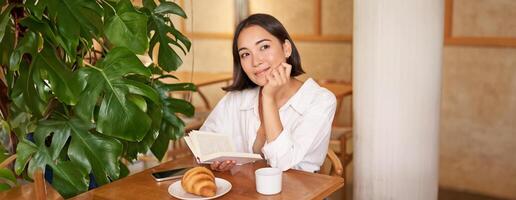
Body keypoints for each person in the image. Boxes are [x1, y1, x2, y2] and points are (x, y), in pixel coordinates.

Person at [200, 13, 336, 173]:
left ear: (286, 48)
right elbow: (204, 141)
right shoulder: (237, 98)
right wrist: (214, 160)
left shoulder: (320, 100)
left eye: (264, 47)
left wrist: (268, 98)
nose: (256, 61)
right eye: (245, 54)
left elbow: (284, 167)